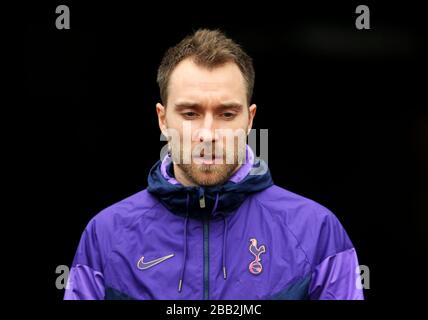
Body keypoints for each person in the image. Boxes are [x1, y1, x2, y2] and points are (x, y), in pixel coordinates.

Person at [64, 29, 364, 300]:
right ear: (162, 119)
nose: (208, 133)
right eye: (190, 113)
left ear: (250, 119)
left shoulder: (317, 232)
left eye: (227, 114)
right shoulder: (105, 235)